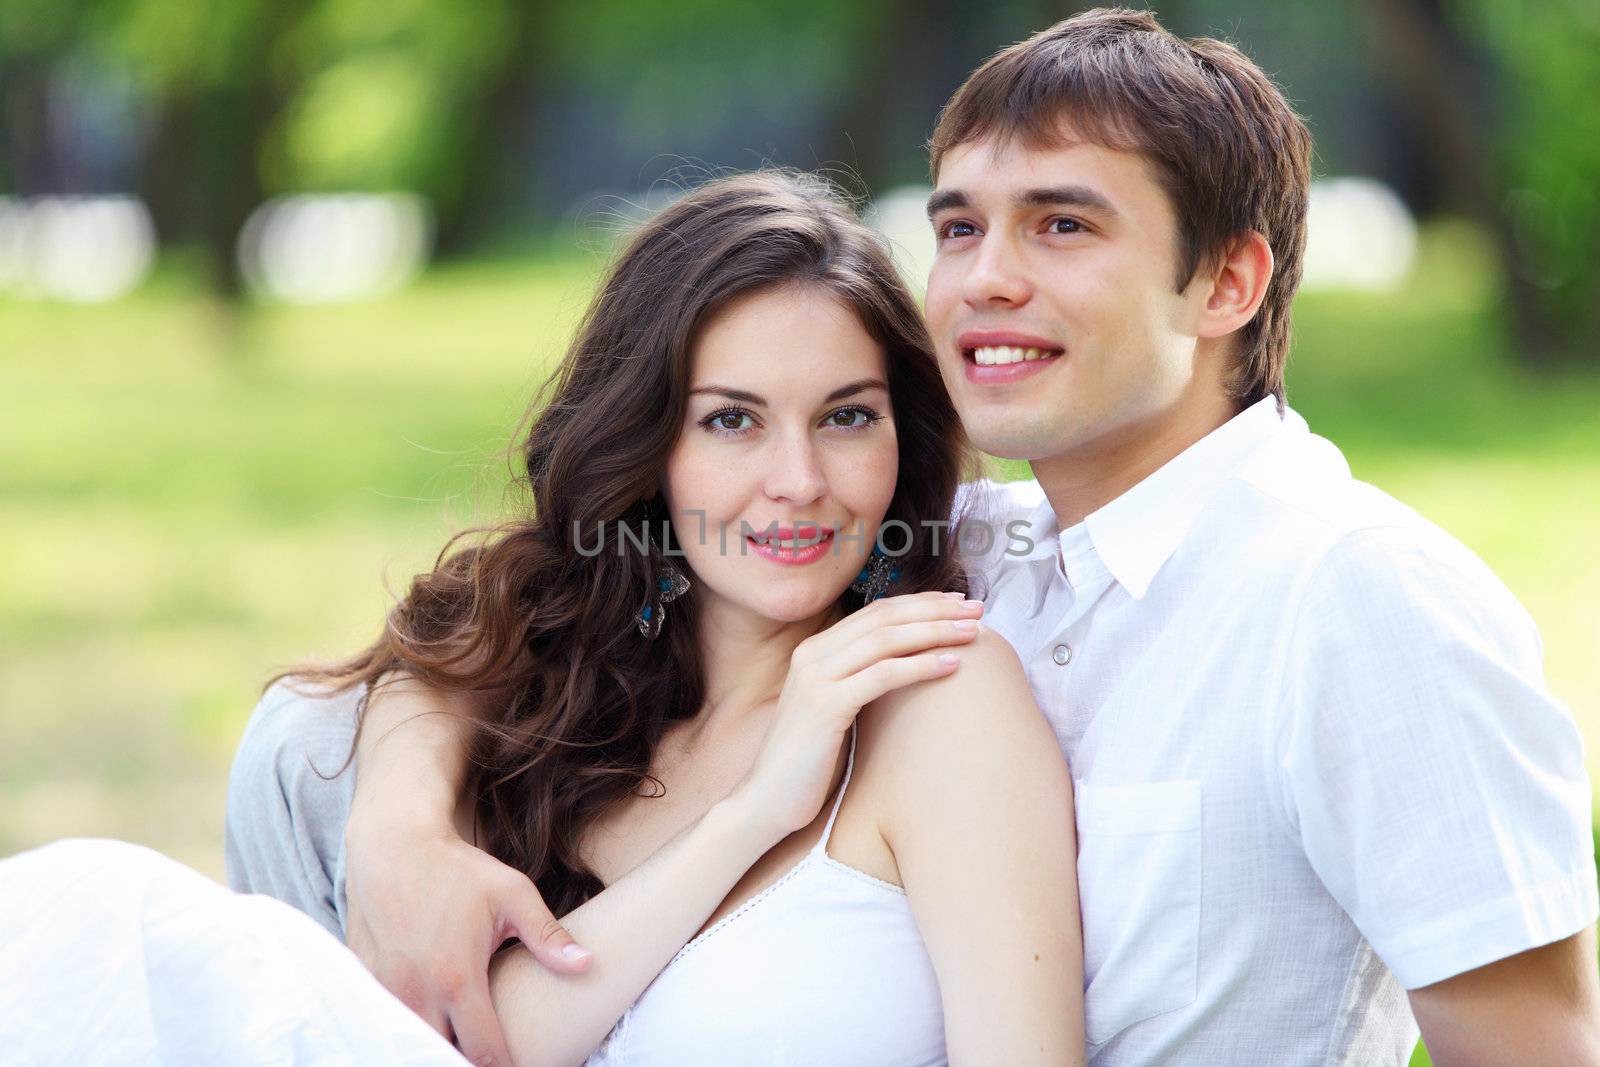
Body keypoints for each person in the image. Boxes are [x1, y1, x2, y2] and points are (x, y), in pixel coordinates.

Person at [267, 8, 1600, 1065]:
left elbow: (1540, 1045)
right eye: (959, 224)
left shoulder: (1355, 596)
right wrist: (403, 822)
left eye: (1061, 223)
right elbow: (533, 585)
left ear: (1228, 281)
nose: (981, 276)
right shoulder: (966, 538)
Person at [224, 168, 1086, 1066]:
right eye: (731, 421)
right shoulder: (564, 701)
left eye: (846, 416)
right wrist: (750, 814)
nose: (799, 481)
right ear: (645, 443)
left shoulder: (940, 698)